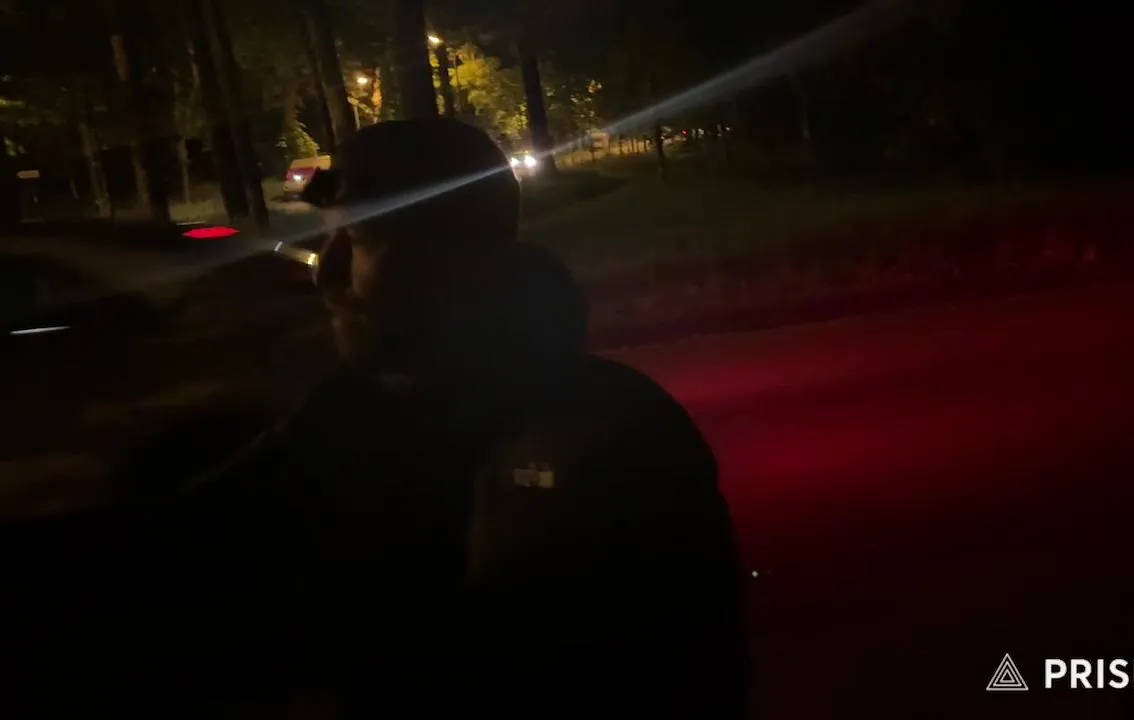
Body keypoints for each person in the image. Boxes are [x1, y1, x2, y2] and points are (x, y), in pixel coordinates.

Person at [4, 119, 750, 718]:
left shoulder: (595, 436)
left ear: (454, 256)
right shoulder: (361, 406)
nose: (327, 273)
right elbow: (200, 535)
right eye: (330, 238)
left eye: (358, 238)